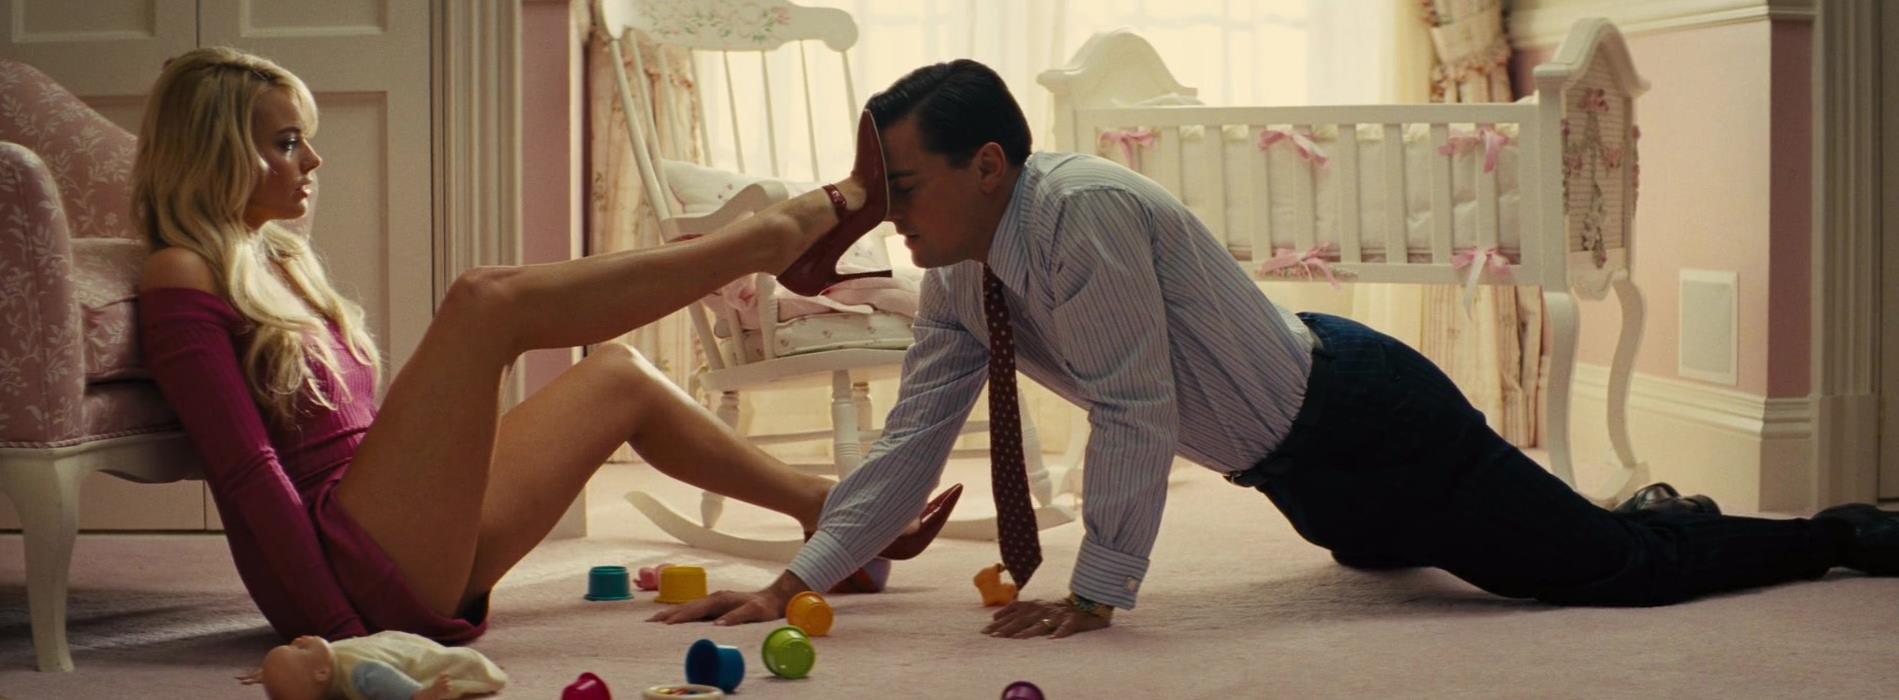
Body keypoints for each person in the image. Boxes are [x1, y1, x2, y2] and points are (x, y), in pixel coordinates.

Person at [649, 58, 1899, 639]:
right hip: (1299, 471)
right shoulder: (956, 272)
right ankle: (1602, 514)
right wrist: (801, 575)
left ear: (988, 166)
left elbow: (1133, 405)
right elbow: (918, 432)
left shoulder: (1083, 215)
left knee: (1602, 572)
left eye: (903, 187)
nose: (886, 215)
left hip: (1372, 421)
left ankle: (1836, 532)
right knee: (1381, 553)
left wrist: (1099, 590)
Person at [133, 47, 957, 645]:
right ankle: (774, 237)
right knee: (485, 302)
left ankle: (836, 514)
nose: (313, 159)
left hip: (394, 534)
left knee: (619, 376)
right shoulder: (182, 275)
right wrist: (341, 634)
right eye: (286, 143)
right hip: (344, 567)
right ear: (213, 154)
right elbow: (247, 477)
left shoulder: (280, 261)